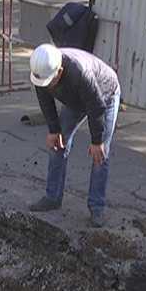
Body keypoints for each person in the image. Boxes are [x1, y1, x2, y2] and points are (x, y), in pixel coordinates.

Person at [28, 43, 121, 227]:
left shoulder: (80, 73)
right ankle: (52, 197)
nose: (45, 85)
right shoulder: (41, 70)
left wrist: (97, 141)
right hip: (75, 100)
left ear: (60, 71)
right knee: (57, 145)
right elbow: (45, 99)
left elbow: (96, 108)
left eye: (49, 81)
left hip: (105, 96)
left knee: (100, 155)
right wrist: (53, 130)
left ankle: (97, 208)